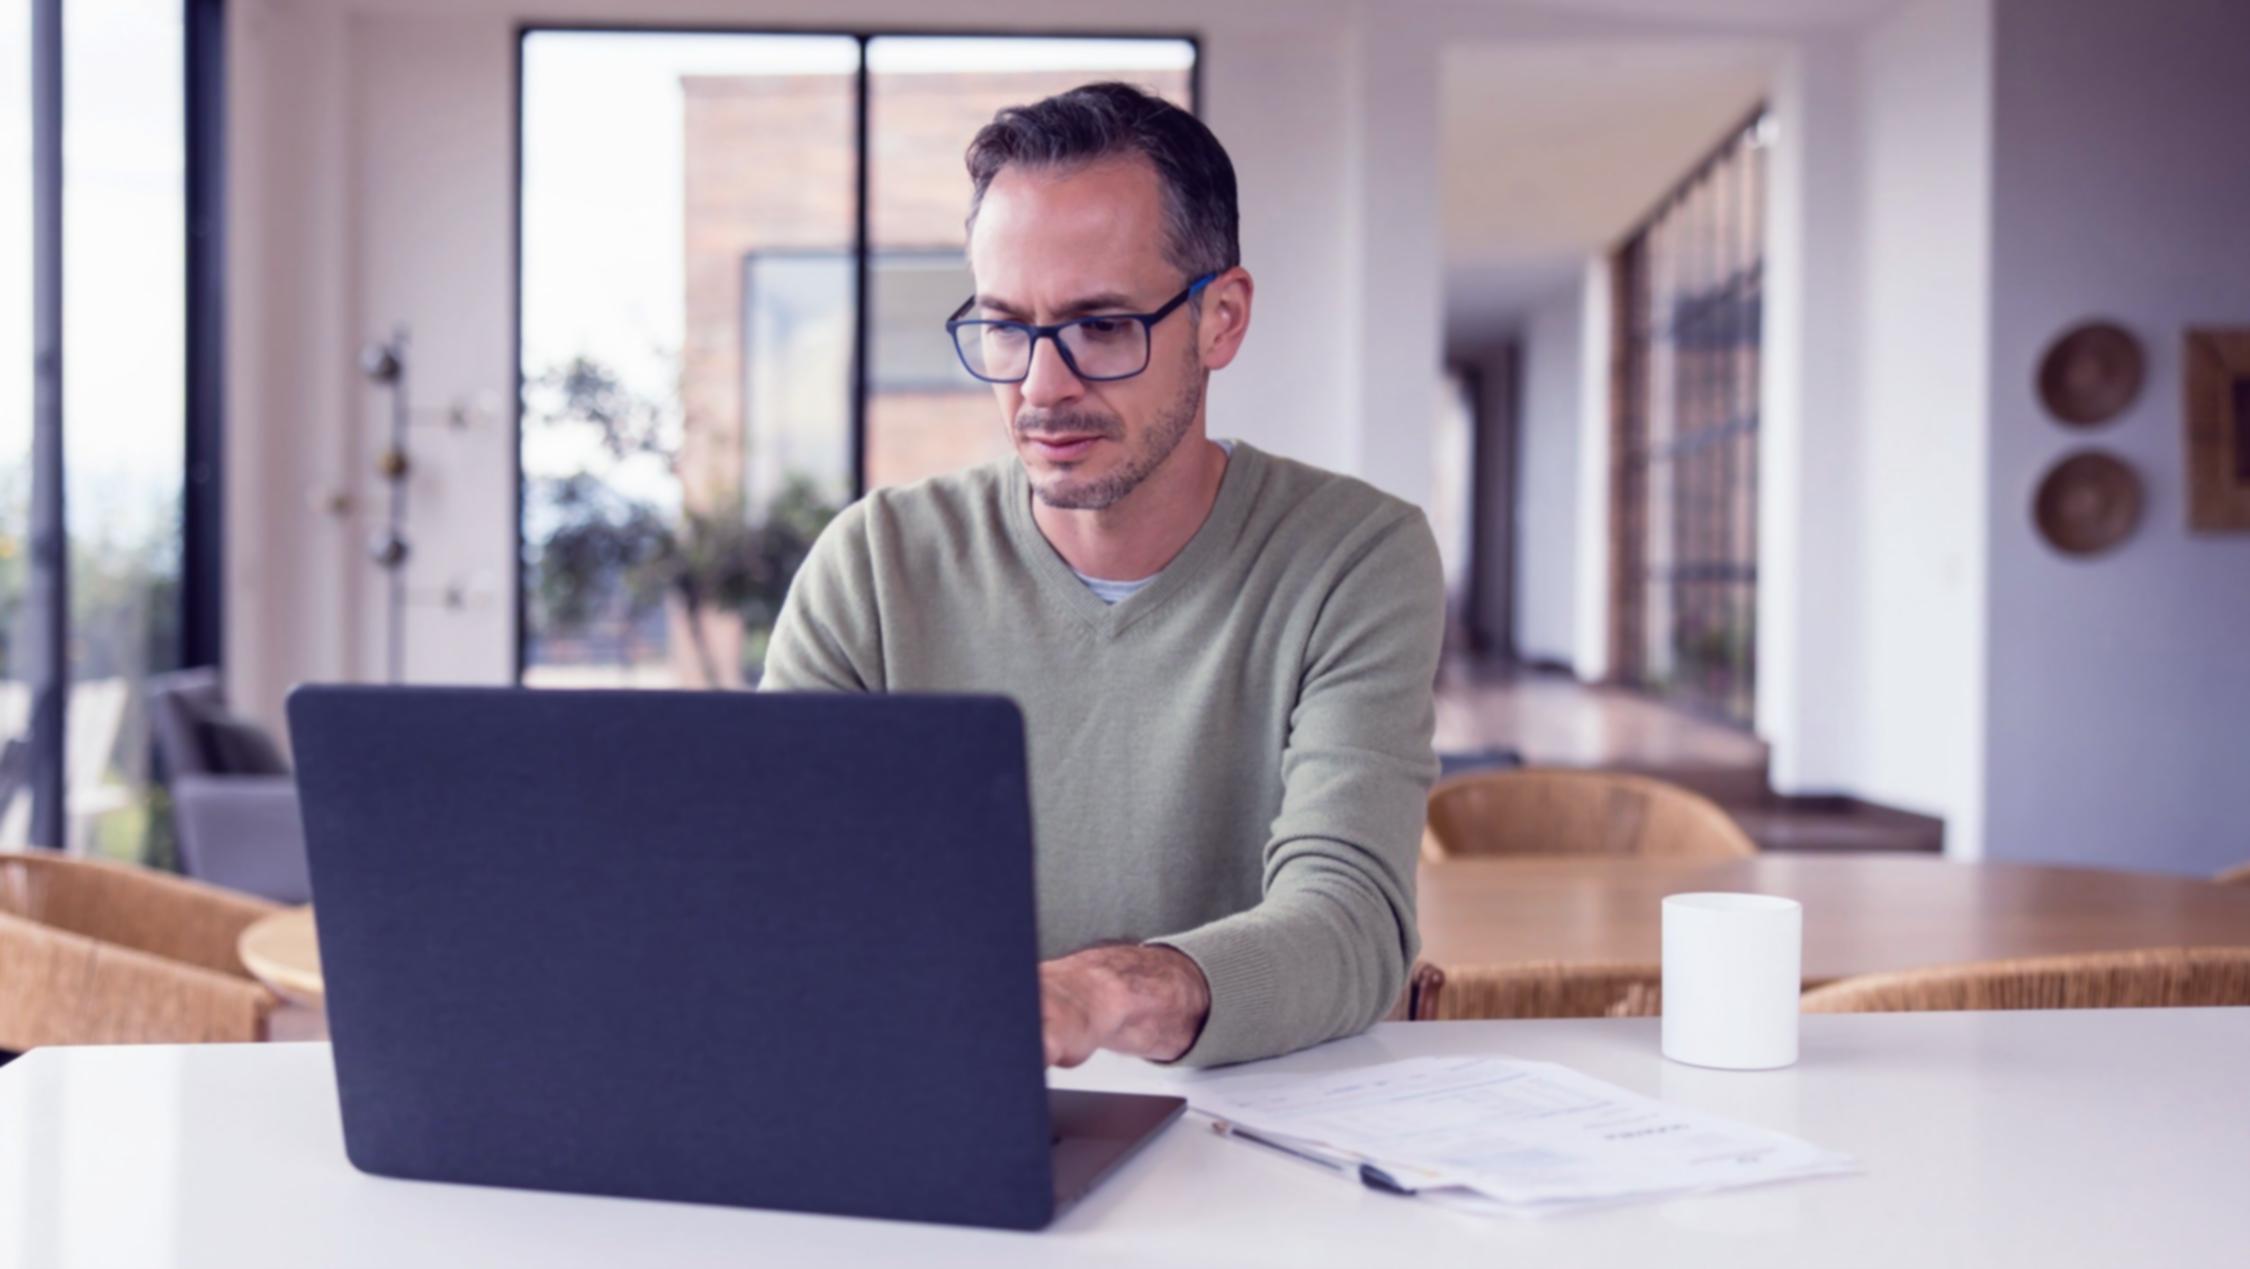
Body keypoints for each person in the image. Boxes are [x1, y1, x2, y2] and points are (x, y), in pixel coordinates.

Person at [762, 82, 1443, 1069]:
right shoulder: (874, 565)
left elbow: (1351, 921)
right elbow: (778, 889)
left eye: (1103, 326)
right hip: (933, 1107)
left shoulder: (1353, 558)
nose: (1042, 387)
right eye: (1005, 327)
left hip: (1253, 1137)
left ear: (1222, 320)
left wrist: (1107, 995)